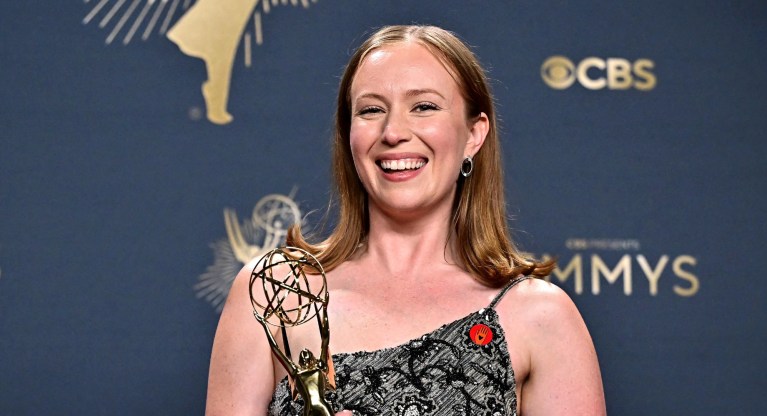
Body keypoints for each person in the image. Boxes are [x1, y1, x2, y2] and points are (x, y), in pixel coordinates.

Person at [205, 25, 606, 416]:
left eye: (424, 107)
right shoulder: (277, 292)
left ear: (473, 134)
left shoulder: (539, 316)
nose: (393, 132)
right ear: (349, 136)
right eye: (371, 110)